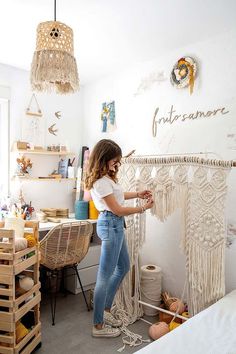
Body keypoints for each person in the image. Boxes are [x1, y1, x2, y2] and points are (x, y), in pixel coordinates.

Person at [85, 139, 154, 338]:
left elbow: (119, 195)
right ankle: (98, 325)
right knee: (103, 277)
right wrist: (143, 208)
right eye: (115, 160)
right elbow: (117, 209)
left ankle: (105, 311)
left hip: (115, 225)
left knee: (123, 266)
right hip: (111, 224)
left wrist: (138, 194)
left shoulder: (107, 179)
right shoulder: (99, 182)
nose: (117, 164)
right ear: (104, 158)